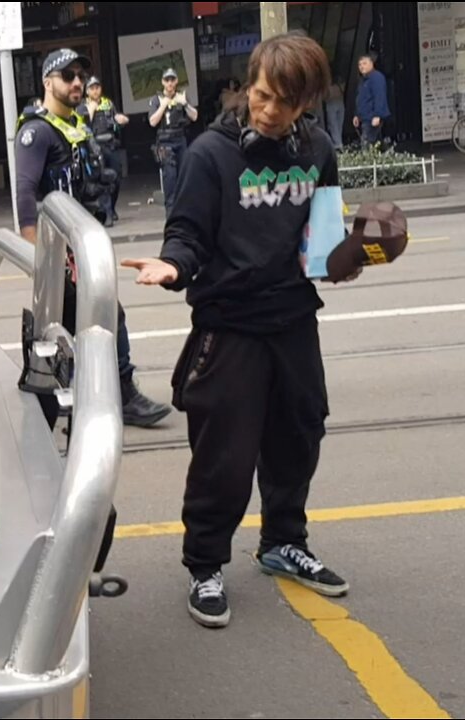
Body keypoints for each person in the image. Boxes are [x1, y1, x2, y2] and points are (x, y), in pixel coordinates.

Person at [120, 32, 356, 629]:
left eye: (283, 102)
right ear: (247, 86)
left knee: (298, 437)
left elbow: (322, 244)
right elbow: (190, 232)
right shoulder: (210, 154)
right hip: (229, 330)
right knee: (223, 457)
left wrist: (356, 255)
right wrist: (173, 264)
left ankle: (283, 542)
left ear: (306, 104)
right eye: (260, 94)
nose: (268, 110)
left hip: (294, 323)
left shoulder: (320, 149)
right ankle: (204, 565)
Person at [15, 48, 172, 429]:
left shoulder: (77, 124)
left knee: (74, 324)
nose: (76, 82)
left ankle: (56, 403)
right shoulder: (37, 132)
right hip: (60, 251)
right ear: (47, 82)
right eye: (66, 75)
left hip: (82, 241)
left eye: (80, 76)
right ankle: (114, 394)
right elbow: (24, 195)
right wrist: (42, 261)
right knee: (98, 315)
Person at [79, 76, 129, 226]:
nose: (95, 91)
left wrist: (120, 120)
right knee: (101, 179)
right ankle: (105, 212)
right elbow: (83, 125)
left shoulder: (108, 104)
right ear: (87, 91)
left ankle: (111, 209)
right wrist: (92, 110)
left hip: (111, 145)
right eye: (92, 88)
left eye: (97, 87)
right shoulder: (82, 106)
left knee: (116, 178)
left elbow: (115, 120)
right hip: (95, 148)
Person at [148, 68, 198, 213]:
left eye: (172, 80)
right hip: (165, 143)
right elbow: (152, 122)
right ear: (163, 82)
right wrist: (164, 104)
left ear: (176, 81)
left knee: (184, 176)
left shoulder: (182, 96)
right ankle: (171, 215)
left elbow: (194, 117)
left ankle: (185, 212)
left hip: (180, 140)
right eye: (167, 80)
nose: (170, 83)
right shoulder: (156, 99)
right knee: (170, 179)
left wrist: (185, 104)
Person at [354, 54, 390, 145]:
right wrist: (357, 115)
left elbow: (379, 97)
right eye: (360, 64)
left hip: (372, 117)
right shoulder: (363, 80)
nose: (362, 67)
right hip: (365, 117)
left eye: (364, 63)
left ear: (371, 63)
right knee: (375, 144)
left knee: (367, 144)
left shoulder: (377, 78)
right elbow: (360, 98)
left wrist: (377, 115)